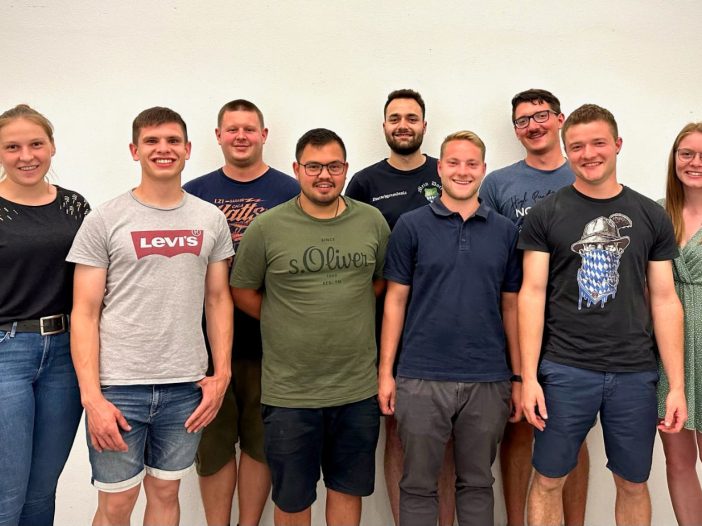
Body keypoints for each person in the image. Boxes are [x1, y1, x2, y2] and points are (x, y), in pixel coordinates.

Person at [519, 103, 687, 526]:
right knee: (548, 480)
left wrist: (676, 386)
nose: (588, 153)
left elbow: (665, 299)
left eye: (598, 143)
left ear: (617, 144)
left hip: (634, 373)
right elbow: (531, 295)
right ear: (566, 150)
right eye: (577, 146)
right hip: (564, 369)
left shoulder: (650, 215)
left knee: (632, 483)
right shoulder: (546, 214)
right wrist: (528, 378)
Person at [68, 107, 234, 526]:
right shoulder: (104, 219)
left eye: (173, 141)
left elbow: (218, 300)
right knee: (117, 504)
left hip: (185, 386)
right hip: (119, 389)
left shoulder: (210, 218)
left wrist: (222, 375)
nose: (164, 149)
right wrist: (92, 397)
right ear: (134, 150)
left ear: (188, 149)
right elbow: (84, 313)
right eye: (152, 141)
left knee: (165, 493)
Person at [230, 128, 389, 526]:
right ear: (297, 169)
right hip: (290, 393)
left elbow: (379, 282)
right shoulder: (267, 227)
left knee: (347, 490)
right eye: (314, 166)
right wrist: (285, 316)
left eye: (333, 166)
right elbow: (242, 291)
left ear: (345, 169)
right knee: (292, 499)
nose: (324, 175)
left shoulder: (371, 221)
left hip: (356, 389)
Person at [379, 130, 522, 526]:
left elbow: (511, 307)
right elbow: (395, 301)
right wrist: (386, 372)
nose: (463, 171)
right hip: (421, 376)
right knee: (418, 485)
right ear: (440, 168)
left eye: (471, 163)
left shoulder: (505, 231)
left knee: (477, 484)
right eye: (454, 163)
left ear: (483, 169)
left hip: (488, 378)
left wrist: (517, 376)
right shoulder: (410, 226)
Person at [184, 99, 299, 526]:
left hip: (271, 342)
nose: (241, 136)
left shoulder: (290, 191)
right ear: (218, 136)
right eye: (232, 129)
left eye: (249, 129)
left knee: (260, 442)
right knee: (213, 446)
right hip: (206, 344)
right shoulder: (194, 192)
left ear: (264, 135)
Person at [479, 88, 589, 526]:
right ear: (515, 130)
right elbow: (489, 253)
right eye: (523, 120)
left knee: (573, 431)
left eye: (541, 115)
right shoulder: (498, 184)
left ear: (560, 119)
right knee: (521, 426)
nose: (533, 126)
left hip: (578, 323)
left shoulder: (583, 173)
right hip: (516, 320)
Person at [345, 88, 453, 526]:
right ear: (384, 126)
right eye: (395, 118)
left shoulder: (446, 173)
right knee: (396, 428)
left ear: (424, 125)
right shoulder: (365, 184)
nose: (403, 125)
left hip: (443, 323)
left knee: (444, 434)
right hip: (384, 324)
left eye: (411, 118)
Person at [0, 104, 90, 526]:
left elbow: (98, 278)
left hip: (67, 356)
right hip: (6, 353)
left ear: (52, 146)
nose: (26, 156)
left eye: (36, 144)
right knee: (7, 494)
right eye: (12, 147)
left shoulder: (74, 206)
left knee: (41, 492)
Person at [658, 122, 702, 526]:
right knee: (678, 460)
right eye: (686, 153)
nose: (694, 162)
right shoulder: (658, 213)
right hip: (668, 350)